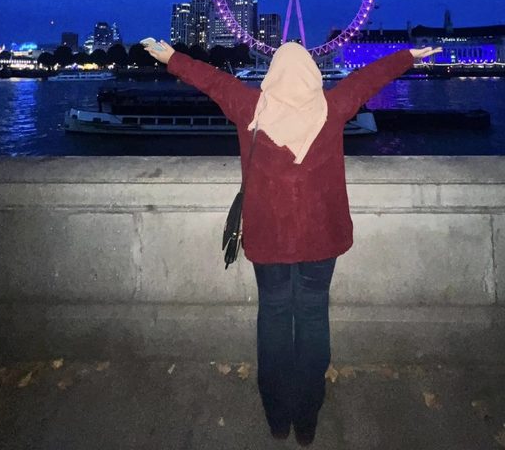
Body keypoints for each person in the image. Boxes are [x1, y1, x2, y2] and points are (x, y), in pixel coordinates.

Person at [144, 39, 442, 445]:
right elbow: (368, 79)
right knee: (314, 320)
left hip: (269, 242)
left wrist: (171, 58)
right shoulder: (331, 109)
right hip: (322, 242)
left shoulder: (249, 108)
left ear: (273, 75)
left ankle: (277, 417)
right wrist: (408, 56)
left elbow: (210, 80)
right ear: (311, 75)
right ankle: (307, 418)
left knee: (274, 321)